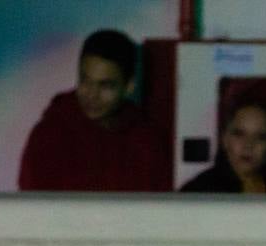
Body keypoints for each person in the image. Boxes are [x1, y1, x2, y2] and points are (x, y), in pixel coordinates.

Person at [18, 29, 170, 192]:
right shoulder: (49, 135)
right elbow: (32, 203)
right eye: (85, 81)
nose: (92, 95)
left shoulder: (146, 142)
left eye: (105, 86)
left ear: (129, 86)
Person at [180, 101, 266, 194]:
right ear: (224, 139)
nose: (248, 145)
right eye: (239, 134)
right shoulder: (198, 192)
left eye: (260, 137)